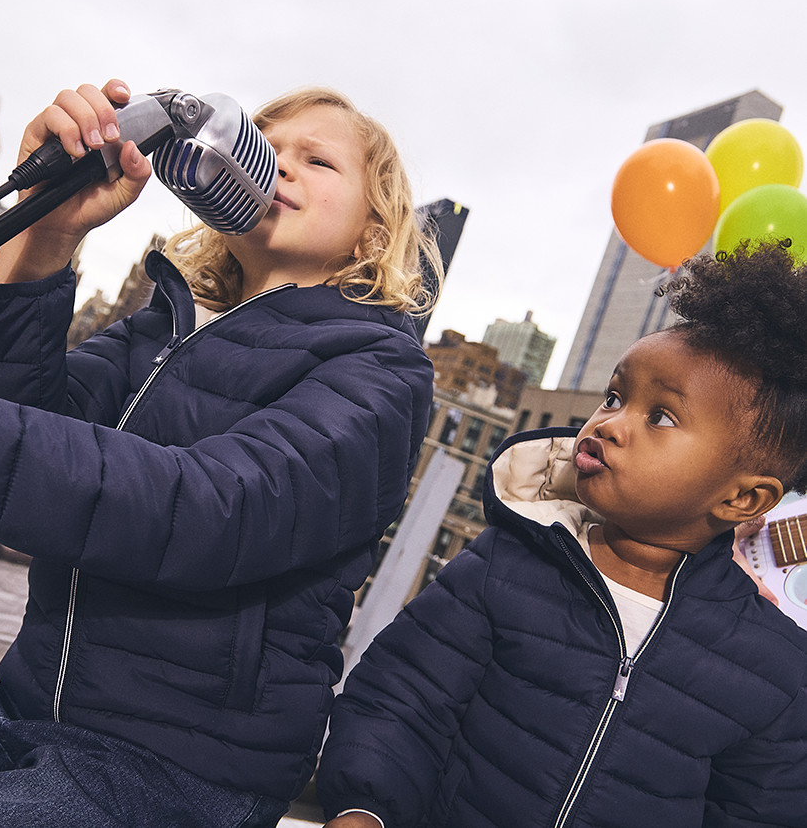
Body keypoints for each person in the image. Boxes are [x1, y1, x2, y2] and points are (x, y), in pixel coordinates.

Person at [0, 78, 441, 827]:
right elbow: (22, 432)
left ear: (375, 231)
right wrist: (46, 234)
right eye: (264, 144)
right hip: (21, 704)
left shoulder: (380, 369)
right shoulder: (164, 325)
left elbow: (212, 511)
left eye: (317, 161)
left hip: (176, 772)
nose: (277, 164)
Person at [316, 239, 807, 828]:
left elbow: (758, 812)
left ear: (743, 498)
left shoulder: (776, 667)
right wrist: (365, 808)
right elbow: (403, 701)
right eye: (614, 396)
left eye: (661, 416)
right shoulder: (507, 566)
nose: (608, 424)